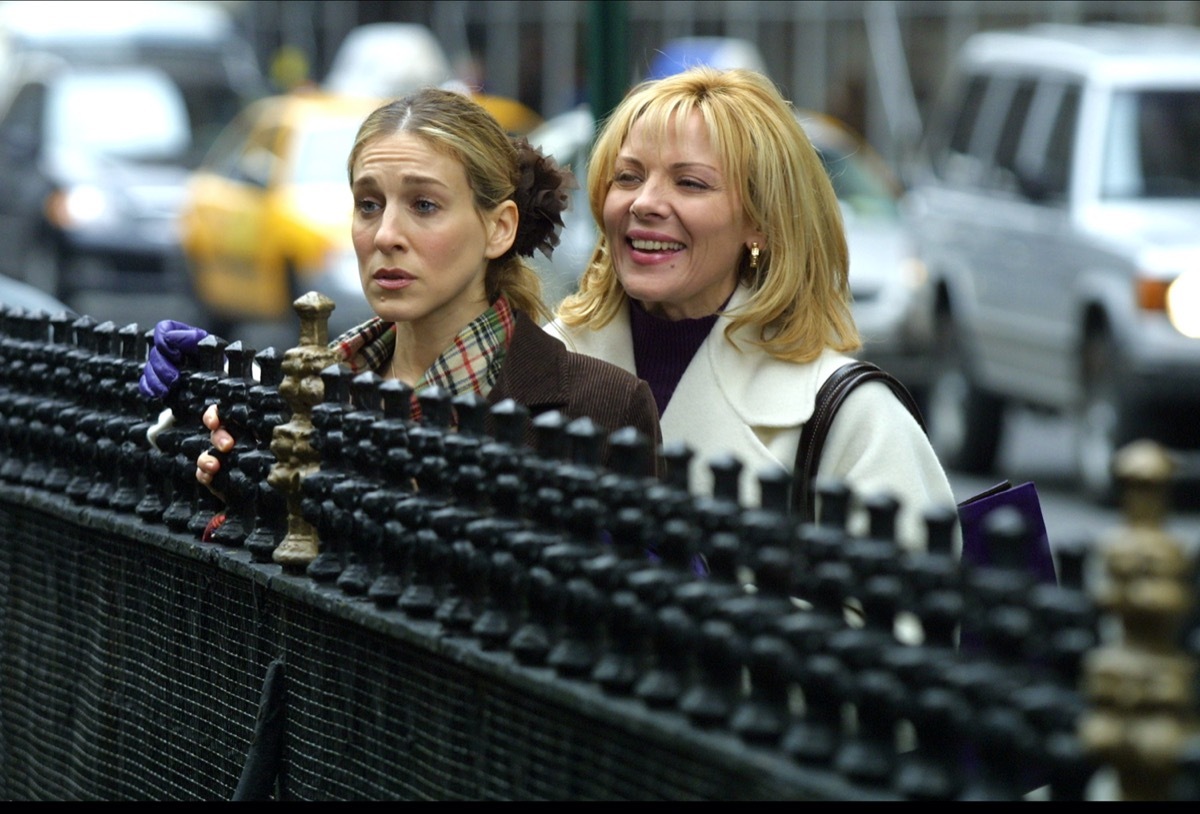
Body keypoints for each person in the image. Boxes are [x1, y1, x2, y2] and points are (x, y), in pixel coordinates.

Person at [139, 87, 661, 497]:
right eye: (369, 204)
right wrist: (223, 488)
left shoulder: (603, 407)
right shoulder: (304, 393)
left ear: (499, 228)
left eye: (424, 205)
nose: (386, 234)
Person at [547, 67, 956, 553]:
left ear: (760, 221)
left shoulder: (853, 417)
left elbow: (908, 619)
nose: (645, 203)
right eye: (628, 176)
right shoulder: (537, 367)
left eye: (691, 183)